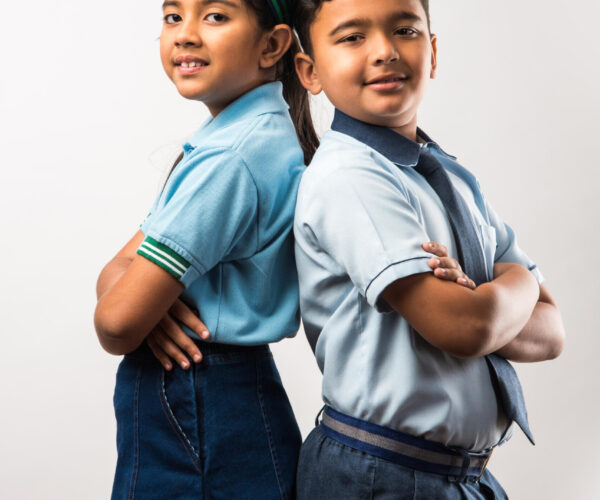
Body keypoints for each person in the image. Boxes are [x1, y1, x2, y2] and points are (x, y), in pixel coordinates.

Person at [291, 0, 565, 498]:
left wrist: (483, 300)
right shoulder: (349, 176)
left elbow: (551, 331)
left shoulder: (450, 177)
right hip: (381, 474)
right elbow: (463, 326)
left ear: (433, 53)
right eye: (352, 37)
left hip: (460, 476)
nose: (385, 51)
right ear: (309, 70)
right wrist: (515, 283)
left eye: (405, 29)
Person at [94, 1, 317, 498]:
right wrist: (149, 308)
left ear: (273, 45)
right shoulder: (243, 139)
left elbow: (115, 321)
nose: (186, 34)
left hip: (198, 391)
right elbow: (116, 272)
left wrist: (142, 309)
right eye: (173, 17)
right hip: (218, 392)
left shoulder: (229, 160)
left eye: (215, 16)